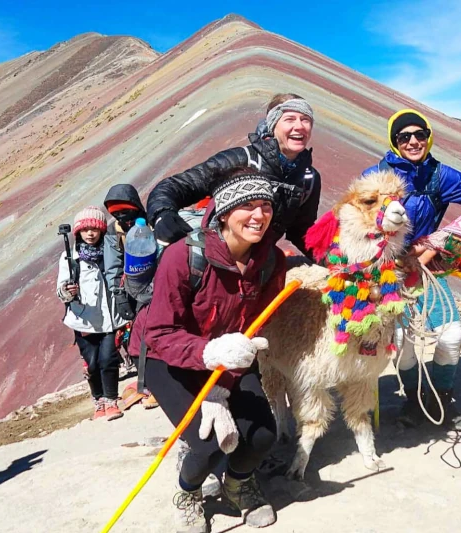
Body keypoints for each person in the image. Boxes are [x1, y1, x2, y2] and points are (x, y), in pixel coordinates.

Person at [131, 168, 286, 531]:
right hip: (164, 354)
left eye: (265, 205)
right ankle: (188, 491)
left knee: (263, 434)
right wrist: (207, 360)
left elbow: (255, 320)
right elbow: (161, 331)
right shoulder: (183, 257)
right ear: (224, 213)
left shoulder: (271, 262)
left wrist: (225, 379)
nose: (259, 215)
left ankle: (237, 483)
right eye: (247, 205)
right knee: (208, 443)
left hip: (230, 354)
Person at [363, 108, 461, 432]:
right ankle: (414, 399)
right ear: (394, 142)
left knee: (451, 334)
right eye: (404, 137)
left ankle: (441, 397)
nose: (413, 141)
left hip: (425, 269)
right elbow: (357, 220)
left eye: (419, 135)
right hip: (385, 272)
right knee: (402, 340)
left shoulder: (440, 175)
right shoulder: (376, 176)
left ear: (428, 136)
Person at [146, 93, 320, 258]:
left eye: (305, 120)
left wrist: (330, 259)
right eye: (289, 119)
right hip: (212, 257)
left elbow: (301, 230)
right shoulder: (239, 159)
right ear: (273, 125)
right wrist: (163, 214)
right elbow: (177, 186)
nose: (299, 126)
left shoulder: (309, 179)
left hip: (257, 265)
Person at [56, 206, 128, 421]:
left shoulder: (113, 251)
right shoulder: (71, 257)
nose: (90, 234)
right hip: (83, 320)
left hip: (110, 318)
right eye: (85, 229)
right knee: (93, 363)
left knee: (109, 360)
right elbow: (60, 289)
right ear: (77, 232)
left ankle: (111, 401)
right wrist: (67, 292)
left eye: (94, 229)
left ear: (101, 230)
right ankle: (98, 401)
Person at [103, 184, 159, 408]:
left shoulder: (154, 221)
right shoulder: (113, 232)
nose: (122, 217)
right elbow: (113, 265)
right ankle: (148, 382)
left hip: (159, 284)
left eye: (125, 212)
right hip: (133, 291)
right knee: (140, 336)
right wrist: (118, 294)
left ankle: (158, 381)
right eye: (116, 214)